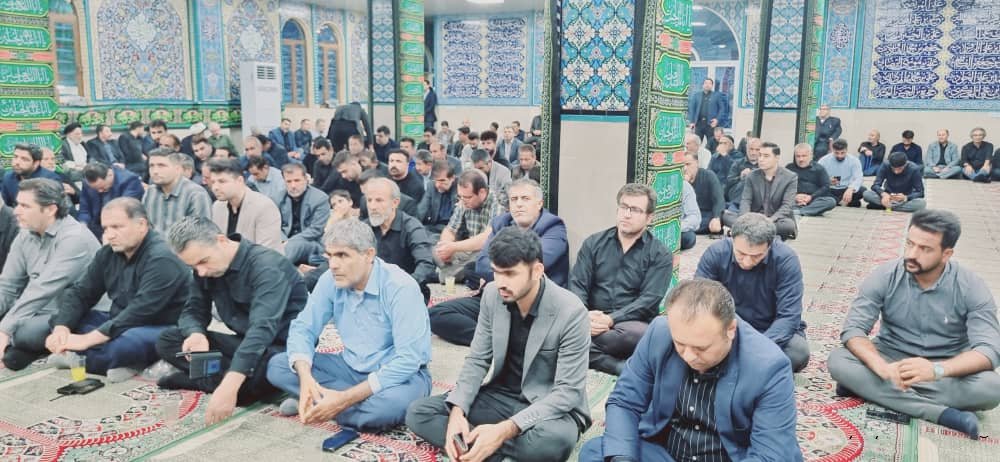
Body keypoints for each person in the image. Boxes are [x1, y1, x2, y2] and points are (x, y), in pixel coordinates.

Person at [406, 227, 591, 462]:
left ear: (537, 271)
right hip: (500, 396)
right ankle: (485, 446)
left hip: (548, 406)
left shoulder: (571, 312)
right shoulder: (492, 294)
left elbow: (567, 393)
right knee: (419, 412)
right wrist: (457, 412)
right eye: (496, 272)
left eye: (510, 274)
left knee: (553, 443)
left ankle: (480, 445)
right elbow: (477, 359)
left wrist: (504, 431)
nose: (501, 282)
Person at [578, 279, 802, 462]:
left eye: (701, 348)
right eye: (680, 344)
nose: (689, 356)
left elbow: (769, 454)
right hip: (669, 453)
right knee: (599, 451)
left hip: (731, 456)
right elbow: (625, 402)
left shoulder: (769, 366)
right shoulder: (660, 333)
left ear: (730, 329)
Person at [828, 209, 1000, 439]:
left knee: (991, 388)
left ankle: (868, 388)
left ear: (946, 254)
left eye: (924, 249)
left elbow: (989, 351)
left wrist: (937, 370)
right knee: (838, 361)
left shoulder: (971, 286)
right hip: (890, 358)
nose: (911, 254)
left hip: (945, 368)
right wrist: (880, 366)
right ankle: (941, 414)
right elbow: (854, 330)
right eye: (909, 244)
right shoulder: (885, 275)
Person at [269, 218, 432, 431]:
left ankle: (324, 401)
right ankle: (329, 400)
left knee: (385, 408)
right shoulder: (330, 279)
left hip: (398, 375)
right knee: (278, 366)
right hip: (350, 367)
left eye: (343, 255)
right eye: (329, 256)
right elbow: (304, 328)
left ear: (369, 255)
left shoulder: (400, 287)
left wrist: (344, 399)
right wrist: (306, 377)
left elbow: (409, 360)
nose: (333, 265)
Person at [156, 217, 308, 425]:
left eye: (203, 262)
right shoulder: (205, 268)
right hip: (244, 342)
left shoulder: (267, 267)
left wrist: (231, 383)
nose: (201, 271)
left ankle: (207, 379)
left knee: (245, 384)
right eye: (193, 266)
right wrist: (196, 334)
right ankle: (218, 378)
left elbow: (262, 329)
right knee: (168, 340)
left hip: (281, 349)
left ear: (221, 241)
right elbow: (193, 309)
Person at [44, 198, 187, 381]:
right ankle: (114, 361)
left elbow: (140, 311)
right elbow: (81, 293)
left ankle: (80, 357)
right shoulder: (108, 253)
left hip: (161, 325)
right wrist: (61, 329)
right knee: (60, 319)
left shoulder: (162, 257)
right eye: (105, 228)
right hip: (119, 321)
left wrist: (87, 340)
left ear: (141, 225)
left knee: (126, 345)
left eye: (117, 227)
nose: (109, 235)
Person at [429, 179, 568, 346]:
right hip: (499, 296)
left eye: (525, 198)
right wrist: (507, 271)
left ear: (539, 203)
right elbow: (482, 264)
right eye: (514, 199)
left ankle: (504, 339)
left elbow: (531, 266)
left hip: (533, 303)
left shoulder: (553, 226)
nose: (519, 204)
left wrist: (499, 269)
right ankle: (497, 342)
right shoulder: (501, 223)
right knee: (436, 314)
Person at [570, 184, 672, 375]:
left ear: (649, 217)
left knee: (640, 335)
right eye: (623, 207)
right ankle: (616, 365)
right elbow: (577, 284)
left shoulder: (660, 254)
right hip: (591, 319)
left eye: (635, 210)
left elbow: (649, 300)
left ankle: (581, 349)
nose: (627, 214)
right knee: (554, 328)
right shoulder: (594, 243)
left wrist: (611, 319)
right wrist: (584, 316)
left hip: (630, 324)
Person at [0, 179, 100, 370]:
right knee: (13, 322)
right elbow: (8, 286)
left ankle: (19, 349)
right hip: (39, 309)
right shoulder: (25, 234)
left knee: (23, 332)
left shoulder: (74, 238)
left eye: (25, 206)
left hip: (73, 314)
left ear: (50, 209)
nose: (16, 211)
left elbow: (42, 290)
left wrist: (4, 330)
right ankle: (17, 350)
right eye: (17, 204)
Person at [695, 213, 809, 372]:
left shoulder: (785, 260)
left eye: (756, 256)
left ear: (769, 245)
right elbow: (700, 302)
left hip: (769, 330)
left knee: (797, 352)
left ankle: (736, 366)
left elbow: (789, 316)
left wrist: (757, 346)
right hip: (727, 328)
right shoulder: (716, 253)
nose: (747, 262)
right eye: (741, 254)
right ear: (732, 239)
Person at [432, 169, 503, 280]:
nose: (463, 200)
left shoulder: (497, 203)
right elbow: (450, 229)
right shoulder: (463, 200)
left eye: (468, 197)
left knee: (476, 263)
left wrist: (453, 247)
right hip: (467, 250)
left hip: (487, 252)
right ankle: (453, 274)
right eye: (460, 196)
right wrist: (446, 247)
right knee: (436, 251)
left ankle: (446, 275)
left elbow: (486, 238)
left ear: (482, 192)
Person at [722, 142, 798, 240]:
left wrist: (769, 220)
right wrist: (746, 219)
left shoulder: (790, 177)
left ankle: (744, 231)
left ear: (777, 158)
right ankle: (763, 233)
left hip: (775, 219)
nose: (761, 159)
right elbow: (746, 201)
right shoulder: (752, 176)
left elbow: (787, 206)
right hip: (753, 218)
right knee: (725, 216)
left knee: (788, 225)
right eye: (760, 155)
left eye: (766, 156)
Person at [209, 158, 283, 252]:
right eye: (213, 182)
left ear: (240, 181)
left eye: (222, 181)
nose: (215, 187)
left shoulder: (264, 207)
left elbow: (267, 253)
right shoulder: (217, 207)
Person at [142, 148, 213, 234]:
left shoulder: (196, 194)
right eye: (151, 166)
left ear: (177, 169)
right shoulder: (150, 192)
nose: (155, 171)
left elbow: (201, 233)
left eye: (161, 166)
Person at [279, 163, 330, 266]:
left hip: (311, 242)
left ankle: (276, 268)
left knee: (295, 245)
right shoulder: (278, 197)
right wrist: (283, 240)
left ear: (306, 179)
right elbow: (274, 225)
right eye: (289, 181)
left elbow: (316, 230)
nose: (293, 186)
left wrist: (290, 242)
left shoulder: (320, 198)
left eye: (297, 180)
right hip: (284, 242)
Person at [78, 162, 145, 239]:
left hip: (119, 226)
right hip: (96, 226)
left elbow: (125, 211)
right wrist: (83, 225)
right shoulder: (87, 183)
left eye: (102, 187)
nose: (100, 191)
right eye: (95, 189)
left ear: (110, 175)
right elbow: (84, 208)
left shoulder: (129, 181)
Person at [786, 143, 836, 216]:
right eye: (798, 156)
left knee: (831, 201)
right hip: (794, 199)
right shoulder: (789, 168)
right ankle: (809, 210)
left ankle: (800, 211)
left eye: (804, 156)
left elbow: (826, 186)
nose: (801, 159)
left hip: (813, 200)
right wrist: (795, 196)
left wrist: (811, 197)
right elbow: (783, 186)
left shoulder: (819, 168)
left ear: (811, 155)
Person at [684, 151, 724, 235]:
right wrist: (685, 185)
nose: (685, 168)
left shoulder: (709, 175)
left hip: (706, 214)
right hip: (688, 216)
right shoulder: (679, 180)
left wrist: (716, 217)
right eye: (682, 165)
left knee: (714, 221)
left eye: (688, 164)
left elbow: (719, 199)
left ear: (697, 163)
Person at [818, 138, 866, 208]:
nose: (840, 156)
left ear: (846, 150)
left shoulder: (854, 160)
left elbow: (858, 178)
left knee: (863, 190)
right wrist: (827, 181)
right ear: (833, 150)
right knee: (818, 190)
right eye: (836, 153)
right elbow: (817, 177)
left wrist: (851, 189)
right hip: (830, 189)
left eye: (842, 153)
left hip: (846, 189)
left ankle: (836, 201)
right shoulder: (823, 160)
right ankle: (843, 201)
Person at [416, 159, 458, 235]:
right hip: (434, 226)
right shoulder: (431, 186)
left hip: (453, 229)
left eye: (442, 181)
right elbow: (421, 210)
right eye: (435, 180)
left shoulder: (460, 188)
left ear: (452, 178)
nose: (437, 185)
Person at [687, 78, 725, 144]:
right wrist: (692, 122)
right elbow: (692, 109)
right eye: (706, 83)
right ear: (703, 85)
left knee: (712, 144)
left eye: (710, 83)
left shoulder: (716, 96)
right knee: (696, 143)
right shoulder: (696, 96)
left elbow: (722, 109)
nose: (707, 85)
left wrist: (717, 119)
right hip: (699, 124)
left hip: (711, 124)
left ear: (712, 86)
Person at [725, 137, 759, 204]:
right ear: (746, 149)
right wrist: (740, 177)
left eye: (757, 150)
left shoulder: (763, 165)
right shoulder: (738, 163)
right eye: (751, 149)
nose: (753, 152)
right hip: (738, 195)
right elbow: (729, 182)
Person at [680, 181, 700, 250]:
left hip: (676, 231)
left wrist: (677, 227)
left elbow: (695, 217)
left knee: (689, 237)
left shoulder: (684, 186)